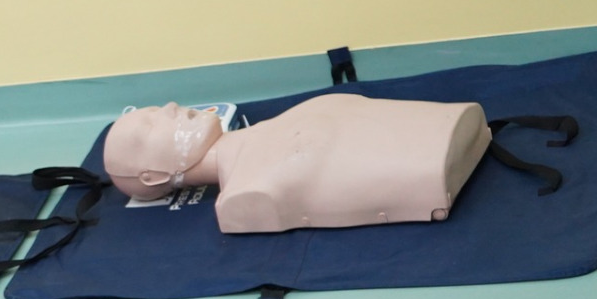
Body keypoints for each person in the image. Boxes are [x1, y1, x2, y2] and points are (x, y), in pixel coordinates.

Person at [102, 96, 495, 233]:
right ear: (152, 177)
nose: (172, 107)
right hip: (443, 167)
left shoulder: (283, 124)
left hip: (459, 131)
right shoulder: (247, 193)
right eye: (150, 126)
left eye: (156, 109)